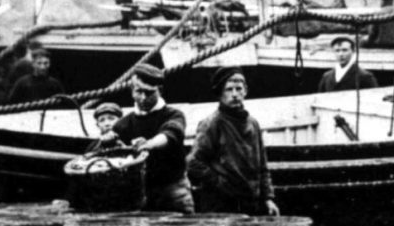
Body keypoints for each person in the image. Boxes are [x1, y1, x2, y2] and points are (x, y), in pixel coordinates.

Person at [102, 63, 194, 213]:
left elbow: (171, 133)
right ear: (132, 91)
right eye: (139, 92)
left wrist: (149, 144)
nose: (144, 98)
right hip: (139, 193)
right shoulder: (123, 125)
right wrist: (107, 142)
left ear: (160, 91)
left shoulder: (173, 115)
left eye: (149, 92)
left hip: (173, 191)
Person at [187, 67, 280, 216]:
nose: (235, 94)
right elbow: (193, 163)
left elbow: (262, 166)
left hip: (250, 203)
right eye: (229, 89)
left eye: (239, 89)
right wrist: (220, 183)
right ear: (220, 93)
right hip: (221, 205)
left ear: (245, 91)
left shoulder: (253, 124)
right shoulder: (212, 124)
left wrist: (268, 198)